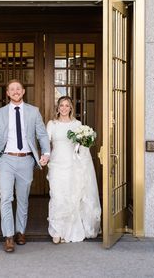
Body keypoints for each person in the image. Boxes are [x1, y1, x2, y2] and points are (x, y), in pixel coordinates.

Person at [0, 79, 50, 253]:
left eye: (18, 89)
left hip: (26, 160)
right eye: (11, 89)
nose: (15, 91)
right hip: (6, 160)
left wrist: (46, 153)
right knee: (6, 198)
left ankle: (20, 231)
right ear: (7, 93)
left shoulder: (33, 111)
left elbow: (42, 134)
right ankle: (8, 236)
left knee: (23, 199)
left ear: (23, 91)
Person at [46, 96, 101, 244]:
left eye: (67, 106)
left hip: (73, 166)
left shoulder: (78, 124)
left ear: (71, 108)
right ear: (58, 108)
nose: (64, 108)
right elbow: (46, 144)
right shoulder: (52, 124)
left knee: (71, 196)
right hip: (56, 165)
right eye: (61, 105)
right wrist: (44, 157)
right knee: (57, 196)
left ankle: (68, 230)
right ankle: (57, 230)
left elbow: (82, 148)